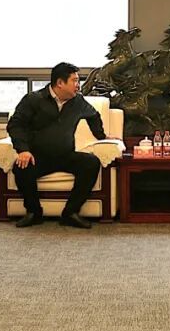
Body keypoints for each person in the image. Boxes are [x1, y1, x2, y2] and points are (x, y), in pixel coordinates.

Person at [7, 62, 107, 229]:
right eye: (74, 81)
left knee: (91, 163)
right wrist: (23, 150)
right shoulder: (34, 99)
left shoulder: (78, 101)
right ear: (60, 83)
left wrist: (102, 136)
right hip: (38, 157)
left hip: (65, 155)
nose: (78, 85)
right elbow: (16, 125)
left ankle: (70, 213)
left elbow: (93, 115)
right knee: (21, 168)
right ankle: (33, 213)